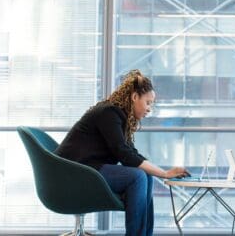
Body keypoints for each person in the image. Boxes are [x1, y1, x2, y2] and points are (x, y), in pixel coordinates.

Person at [55, 70, 189, 236]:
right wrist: (164, 173)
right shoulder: (109, 113)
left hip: (88, 169)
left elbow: (130, 152)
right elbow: (123, 153)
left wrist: (162, 172)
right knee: (138, 176)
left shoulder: (118, 115)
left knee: (145, 175)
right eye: (148, 102)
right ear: (134, 97)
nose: (149, 109)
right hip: (71, 172)